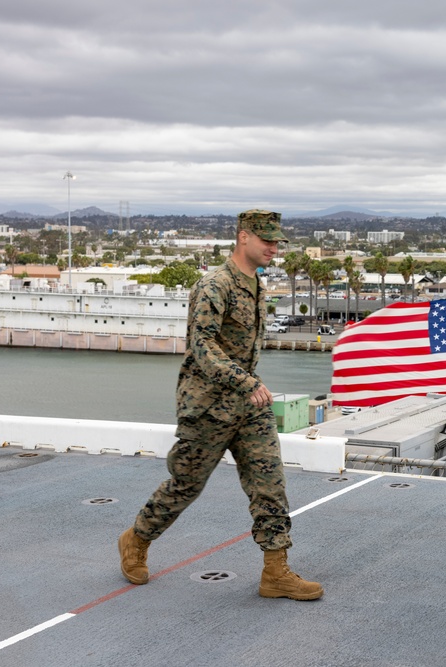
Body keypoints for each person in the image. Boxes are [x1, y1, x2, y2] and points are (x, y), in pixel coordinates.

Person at [118, 209, 323, 601]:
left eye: (277, 241)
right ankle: (136, 539)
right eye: (266, 239)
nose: (273, 247)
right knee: (186, 485)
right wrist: (244, 381)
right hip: (208, 406)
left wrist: (249, 387)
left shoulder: (259, 285)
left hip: (249, 406)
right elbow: (201, 346)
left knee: (270, 485)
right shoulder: (215, 285)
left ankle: (276, 571)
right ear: (243, 237)